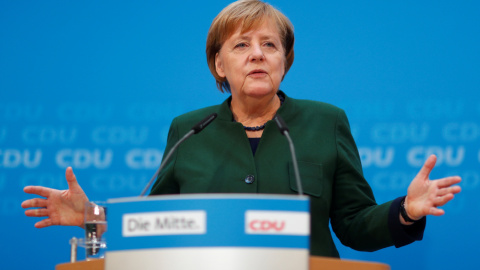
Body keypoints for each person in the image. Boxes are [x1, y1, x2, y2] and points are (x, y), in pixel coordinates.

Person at [22, 0, 461, 257]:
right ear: (219, 64)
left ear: (284, 62)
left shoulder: (325, 121)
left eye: (270, 45)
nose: (258, 54)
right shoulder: (189, 130)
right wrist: (91, 218)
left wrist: (405, 209)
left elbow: (351, 224)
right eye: (242, 45)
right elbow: (154, 224)